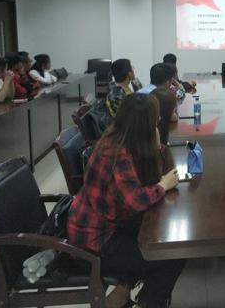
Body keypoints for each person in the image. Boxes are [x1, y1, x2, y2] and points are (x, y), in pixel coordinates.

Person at [67, 93, 183, 308]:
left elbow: (144, 178)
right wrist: (163, 186)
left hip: (109, 223)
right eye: (155, 119)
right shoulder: (115, 154)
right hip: (94, 240)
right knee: (172, 254)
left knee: (159, 232)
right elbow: (136, 201)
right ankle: (149, 302)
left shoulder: (121, 138)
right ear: (144, 125)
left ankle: (123, 290)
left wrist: (157, 145)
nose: (158, 121)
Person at [149, 63, 179, 145]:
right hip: (153, 142)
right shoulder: (161, 95)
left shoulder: (141, 92)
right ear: (167, 82)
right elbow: (173, 117)